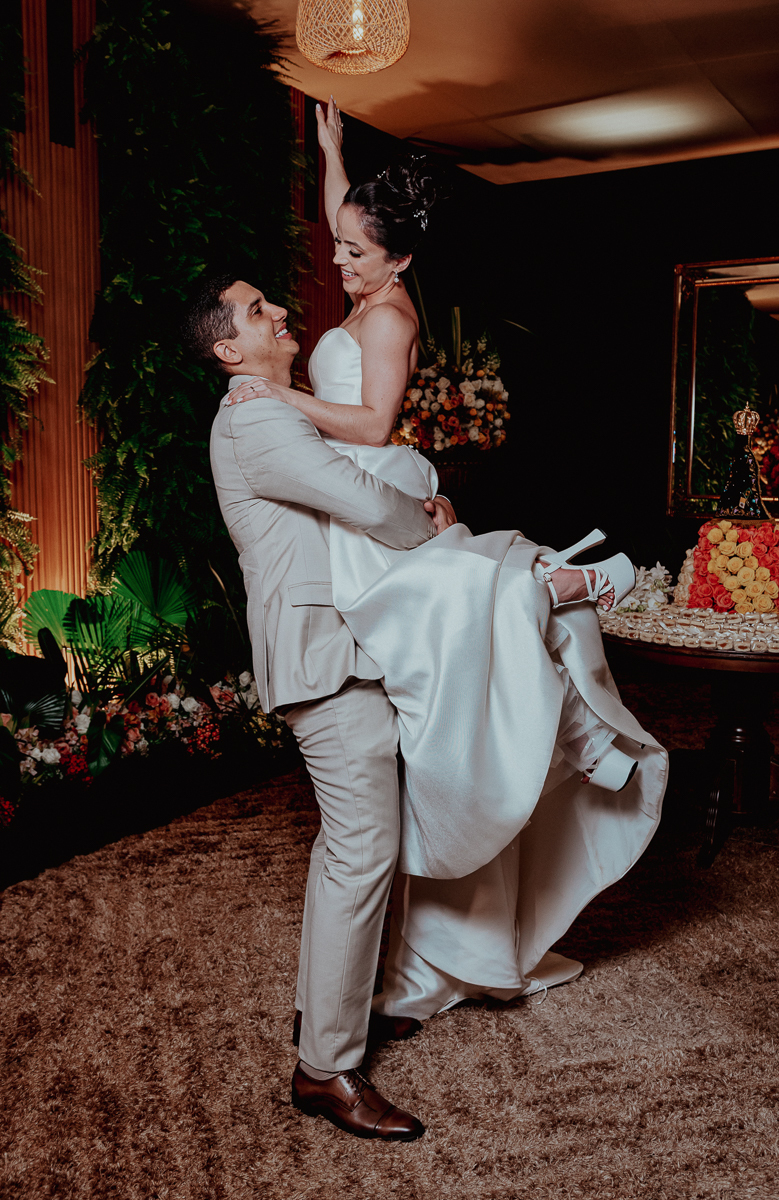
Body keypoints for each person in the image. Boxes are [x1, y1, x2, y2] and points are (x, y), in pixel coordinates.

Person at [223, 99, 668, 1026]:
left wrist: (278, 393)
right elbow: (355, 221)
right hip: (354, 490)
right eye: (339, 244)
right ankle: (540, 746)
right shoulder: (366, 278)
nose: (335, 259)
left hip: (366, 471)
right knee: (438, 660)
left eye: (353, 252)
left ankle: (565, 602)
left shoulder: (387, 320)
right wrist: (333, 155)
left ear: (400, 263)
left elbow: (375, 424)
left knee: (452, 609)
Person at [189, 275, 456, 1142]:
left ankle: (333, 1017)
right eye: (257, 310)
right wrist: (429, 519)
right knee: (361, 847)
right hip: (319, 655)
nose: (277, 313)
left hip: (346, 645)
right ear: (230, 348)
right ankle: (324, 1071)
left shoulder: (273, 408)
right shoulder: (255, 416)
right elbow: (359, 495)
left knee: (363, 841)